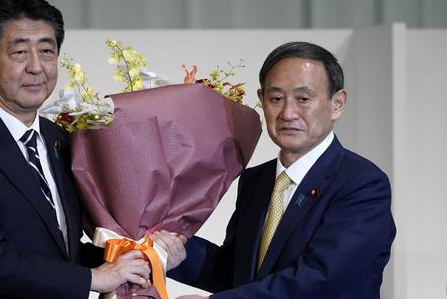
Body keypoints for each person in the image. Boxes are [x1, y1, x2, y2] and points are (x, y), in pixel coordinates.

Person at [0, 0, 150, 298]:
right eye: (19, 52)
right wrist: (94, 279)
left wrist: (133, 258)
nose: (36, 66)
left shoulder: (60, 139)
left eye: (47, 51)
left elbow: (61, 253)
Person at [169, 41, 396, 298]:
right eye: (276, 98)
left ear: (337, 104)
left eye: (303, 99)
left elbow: (324, 278)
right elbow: (237, 274)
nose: (288, 113)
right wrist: (171, 253)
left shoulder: (362, 183)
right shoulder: (256, 180)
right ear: (262, 101)